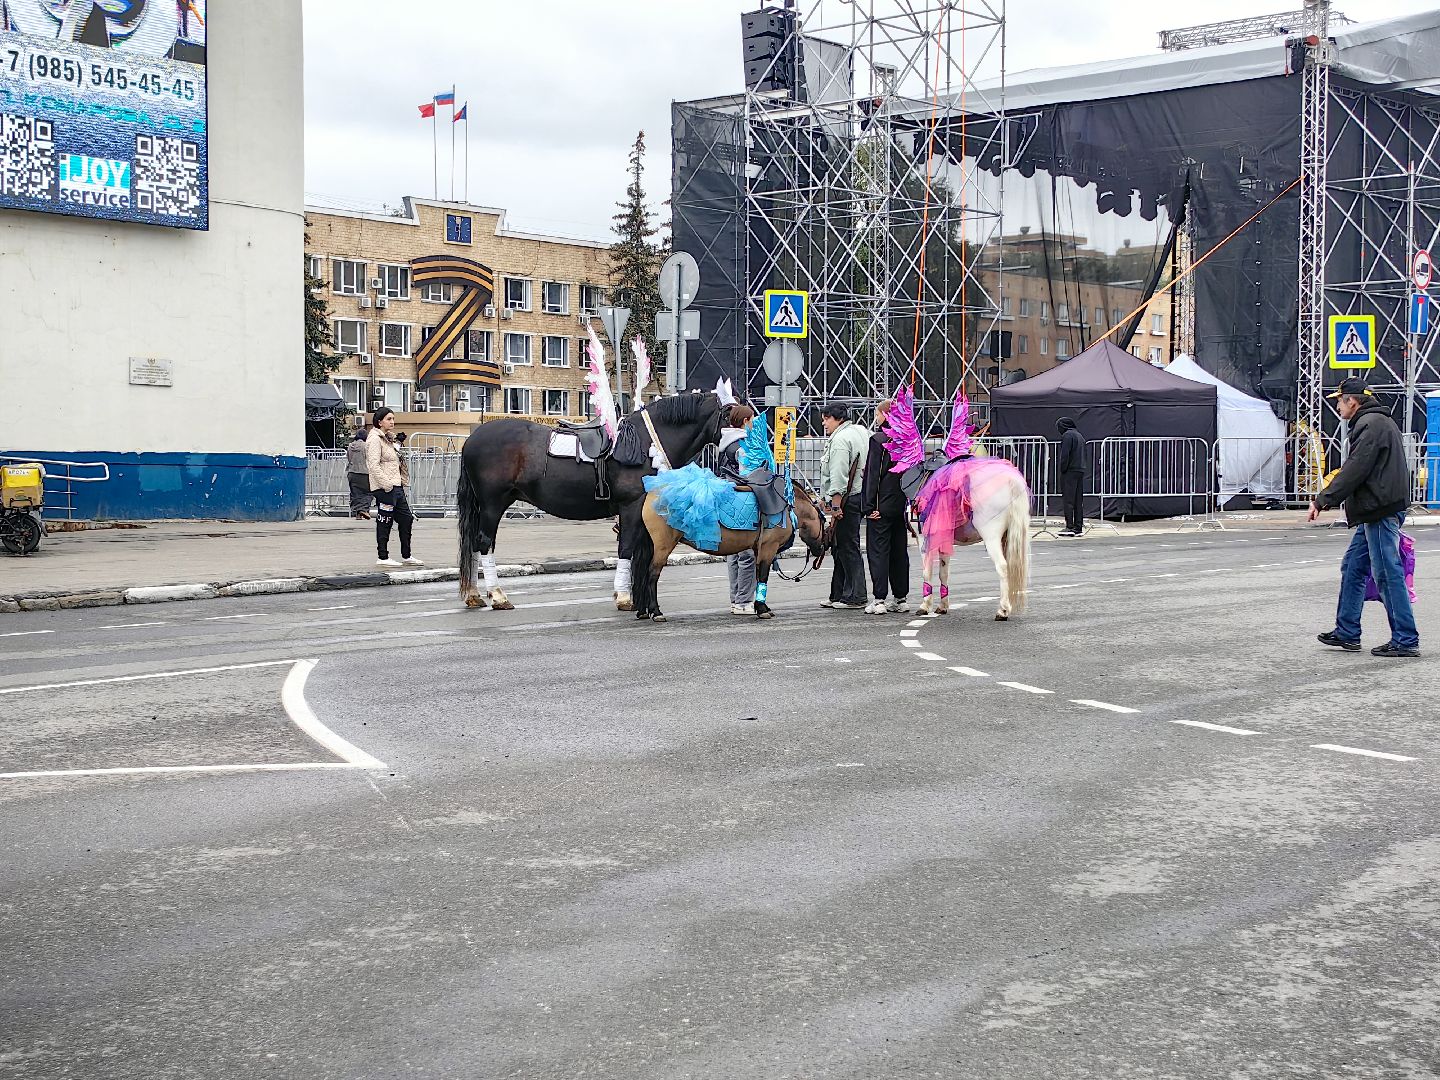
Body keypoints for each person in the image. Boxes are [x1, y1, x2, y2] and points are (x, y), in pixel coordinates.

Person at [1310, 379, 1420, 658]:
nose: (1337, 406)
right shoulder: (1377, 421)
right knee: (1353, 566)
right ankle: (1347, 631)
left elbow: (1355, 468)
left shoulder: (1370, 424)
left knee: (1387, 573)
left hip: (1380, 509)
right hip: (1376, 508)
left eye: (1339, 400)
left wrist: (1324, 499)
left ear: (1352, 400)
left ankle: (1405, 639)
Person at [819, 402, 870, 610]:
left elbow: (838, 474)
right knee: (841, 546)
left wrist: (835, 505)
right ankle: (839, 593)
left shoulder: (840, 440)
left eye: (827, 419)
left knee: (847, 546)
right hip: (861, 495)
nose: (824, 423)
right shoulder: (861, 431)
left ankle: (856, 596)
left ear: (838, 419)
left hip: (846, 499)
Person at [861, 398, 910, 614]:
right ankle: (901, 598)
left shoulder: (879, 439)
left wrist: (868, 506)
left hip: (880, 506)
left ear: (886, 415)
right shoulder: (908, 439)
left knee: (879, 552)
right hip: (900, 505)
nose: (876, 418)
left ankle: (879, 599)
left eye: (878, 414)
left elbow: (873, 475)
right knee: (899, 553)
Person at [366, 407, 424, 568]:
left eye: (393, 419)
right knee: (385, 521)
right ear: (380, 422)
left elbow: (393, 458)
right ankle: (383, 556)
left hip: (396, 486)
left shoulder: (387, 439)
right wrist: (386, 484)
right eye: (389, 419)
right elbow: (373, 465)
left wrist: (398, 442)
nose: (392, 422)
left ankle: (407, 555)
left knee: (406, 519)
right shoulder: (374, 439)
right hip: (385, 488)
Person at [717, 403, 758, 616]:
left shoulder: (724, 443)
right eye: (751, 420)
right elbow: (748, 475)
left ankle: (735, 599)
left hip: (726, 499)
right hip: (743, 501)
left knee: (732, 553)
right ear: (744, 421)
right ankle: (744, 601)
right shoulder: (742, 446)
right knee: (747, 552)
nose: (753, 423)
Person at [1056, 417, 1086, 537]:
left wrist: (1062, 469)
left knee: (1068, 500)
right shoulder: (1080, 435)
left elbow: (1065, 455)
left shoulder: (1067, 436)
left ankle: (1069, 526)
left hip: (1070, 470)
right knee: (1078, 500)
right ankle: (1078, 527)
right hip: (1080, 469)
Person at [345, 427, 372, 519]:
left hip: (352, 472)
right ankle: (364, 510)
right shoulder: (366, 446)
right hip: (365, 472)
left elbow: (349, 458)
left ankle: (358, 514)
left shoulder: (350, 446)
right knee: (368, 492)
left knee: (355, 493)